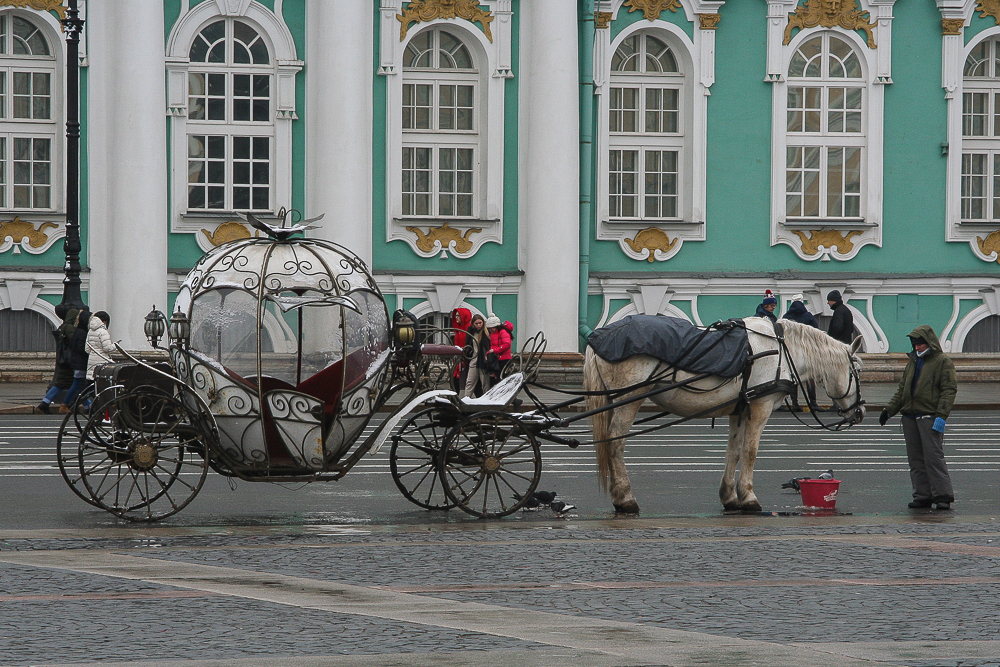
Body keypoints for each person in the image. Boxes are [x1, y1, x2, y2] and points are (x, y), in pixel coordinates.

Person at [878, 325, 957, 511]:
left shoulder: (942, 361)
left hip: (929, 417)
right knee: (915, 460)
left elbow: (949, 390)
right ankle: (923, 495)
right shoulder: (913, 362)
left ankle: (943, 495)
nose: (917, 348)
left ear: (929, 343)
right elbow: (902, 390)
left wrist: (941, 416)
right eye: (915, 345)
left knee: (933, 458)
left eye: (920, 344)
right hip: (910, 417)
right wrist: (889, 410)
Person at [36, 307, 79, 414]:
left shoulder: (64, 327)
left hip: (65, 360)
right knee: (77, 383)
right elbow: (74, 340)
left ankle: (45, 403)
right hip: (69, 360)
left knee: (67, 383)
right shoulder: (69, 327)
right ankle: (47, 404)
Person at [780, 294, 819, 411]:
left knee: (794, 378)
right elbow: (816, 333)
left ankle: (795, 404)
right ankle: (813, 403)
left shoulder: (786, 317)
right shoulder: (808, 316)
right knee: (810, 377)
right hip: (807, 351)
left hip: (792, 352)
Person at [82, 311, 116, 409]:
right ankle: (101, 406)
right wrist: (116, 346)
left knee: (92, 385)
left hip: (91, 361)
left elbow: (87, 349)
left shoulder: (90, 331)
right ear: (105, 321)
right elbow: (107, 348)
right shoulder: (103, 332)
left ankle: (91, 404)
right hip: (102, 362)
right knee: (102, 387)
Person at [61, 310, 92, 412]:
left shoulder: (78, 331)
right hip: (81, 363)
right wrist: (89, 352)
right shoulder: (83, 333)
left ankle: (87, 406)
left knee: (81, 385)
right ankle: (66, 404)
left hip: (77, 362)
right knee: (79, 385)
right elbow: (81, 348)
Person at [462, 313, 489, 399]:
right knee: (470, 381)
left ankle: (487, 400)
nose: (478, 325)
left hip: (483, 361)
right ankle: (466, 399)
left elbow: (488, 346)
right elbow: (468, 345)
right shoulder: (471, 332)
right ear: (473, 324)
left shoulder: (486, 332)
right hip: (473, 359)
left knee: (485, 383)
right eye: (476, 323)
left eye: (480, 323)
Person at [484, 314, 512, 385]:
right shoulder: (494, 333)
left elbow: (507, 344)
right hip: (497, 359)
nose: (490, 330)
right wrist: (489, 353)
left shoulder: (503, 332)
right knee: (497, 378)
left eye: (491, 328)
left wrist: (495, 350)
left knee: (502, 379)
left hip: (504, 359)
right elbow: (493, 345)